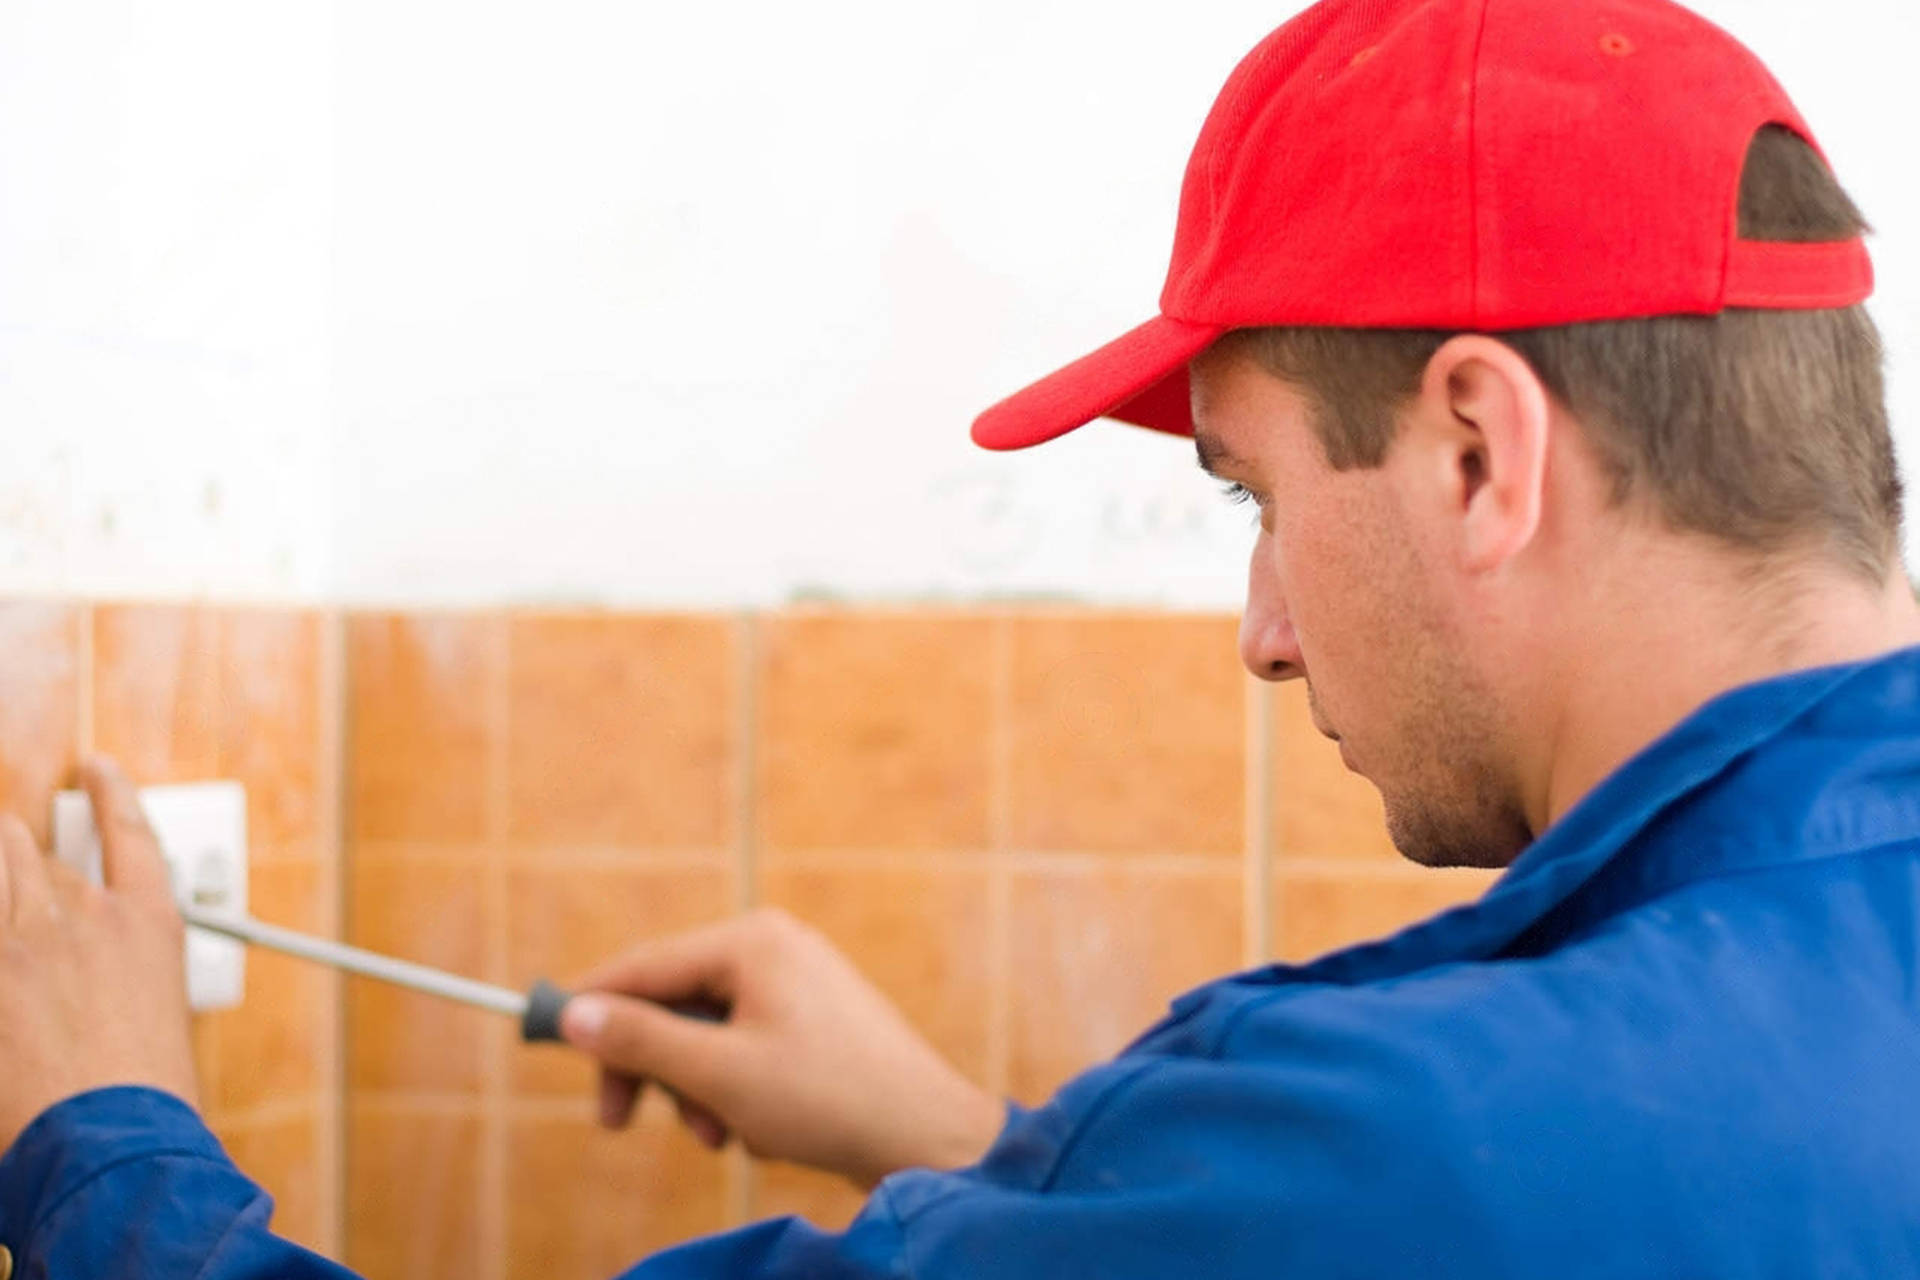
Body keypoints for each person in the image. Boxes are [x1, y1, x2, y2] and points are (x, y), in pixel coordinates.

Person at [3, 0, 1918, 1273]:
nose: (1263, 637)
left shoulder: (1405, 1138)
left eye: (1253, 497)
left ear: (1480, 450)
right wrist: (971, 1150)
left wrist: (100, 1129)